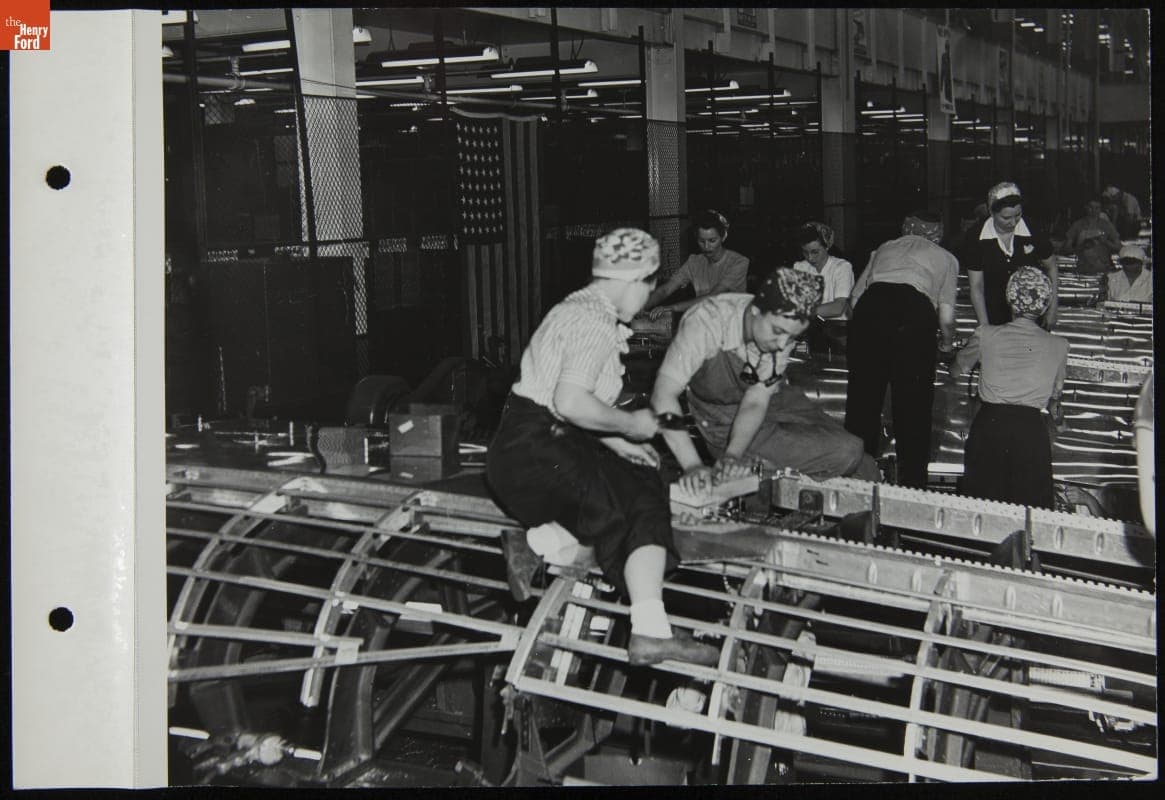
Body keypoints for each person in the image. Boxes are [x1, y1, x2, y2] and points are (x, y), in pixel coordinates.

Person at [485, 228, 719, 667]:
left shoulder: (575, 308)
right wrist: (630, 425)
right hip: (543, 448)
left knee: (633, 478)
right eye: (649, 286)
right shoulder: (593, 320)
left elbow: (561, 399)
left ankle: (535, 543)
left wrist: (616, 442)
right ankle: (651, 632)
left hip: (520, 448)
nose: (648, 299)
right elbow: (570, 402)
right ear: (635, 278)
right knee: (644, 502)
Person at [651, 267, 879, 493]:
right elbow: (663, 395)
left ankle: (770, 472)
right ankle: (767, 479)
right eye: (778, 331)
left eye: (792, 337)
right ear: (755, 310)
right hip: (724, 416)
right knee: (846, 452)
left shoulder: (782, 322)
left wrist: (733, 455)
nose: (782, 345)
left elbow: (756, 399)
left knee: (865, 464)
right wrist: (692, 465)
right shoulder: (705, 323)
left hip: (771, 400)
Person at [843, 211, 960, 489]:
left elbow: (855, 300)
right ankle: (913, 485)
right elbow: (946, 317)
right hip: (913, 312)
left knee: (863, 401)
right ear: (938, 235)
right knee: (913, 406)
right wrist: (946, 344)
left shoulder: (885, 247)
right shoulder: (947, 258)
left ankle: (857, 480)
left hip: (871, 308)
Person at [951, 267, 1069, 509]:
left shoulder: (986, 334)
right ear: (1045, 305)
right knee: (1029, 509)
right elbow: (1055, 401)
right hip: (1030, 432)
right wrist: (1060, 423)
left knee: (982, 507)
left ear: (1010, 301)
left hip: (990, 426)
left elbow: (956, 370)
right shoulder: (1059, 345)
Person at [964, 181, 1059, 330]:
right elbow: (976, 286)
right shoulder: (975, 238)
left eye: (1018, 215)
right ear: (991, 211)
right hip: (993, 313)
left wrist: (1053, 308)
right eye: (1006, 218)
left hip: (1031, 316)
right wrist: (984, 326)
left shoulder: (1033, 230)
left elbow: (1051, 267)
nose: (1013, 222)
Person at [644, 209, 749, 320]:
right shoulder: (694, 262)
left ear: (723, 237)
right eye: (701, 241)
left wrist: (672, 308)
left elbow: (713, 297)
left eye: (712, 240)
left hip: (733, 326)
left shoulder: (739, 262)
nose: (707, 246)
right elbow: (665, 290)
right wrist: (641, 307)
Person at [792, 221, 854, 319]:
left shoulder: (842, 267)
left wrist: (802, 310)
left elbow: (838, 308)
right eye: (805, 252)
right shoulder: (799, 267)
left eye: (815, 252)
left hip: (837, 328)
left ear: (827, 247)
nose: (810, 258)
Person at [1062, 199, 1121, 275]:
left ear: (1101, 209)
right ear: (1086, 208)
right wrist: (1081, 246)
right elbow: (1066, 249)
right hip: (1083, 268)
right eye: (1091, 207)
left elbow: (1119, 248)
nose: (1094, 210)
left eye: (1097, 208)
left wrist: (1105, 242)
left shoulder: (1107, 225)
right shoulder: (1077, 225)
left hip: (1104, 267)